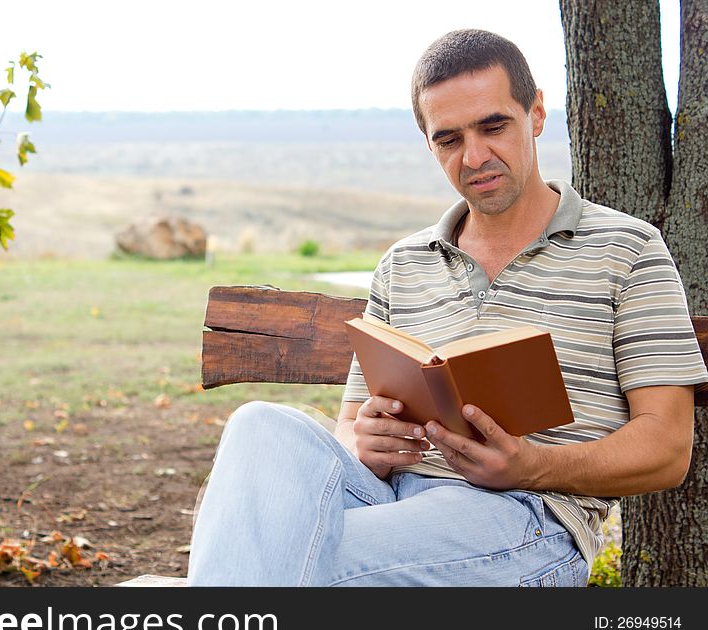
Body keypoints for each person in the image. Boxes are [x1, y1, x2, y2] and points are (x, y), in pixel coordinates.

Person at [186, 29, 708, 586]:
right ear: (428, 144)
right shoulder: (403, 262)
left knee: (284, 558)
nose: (475, 156)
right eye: (449, 139)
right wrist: (366, 443)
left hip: (525, 520)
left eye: (493, 126)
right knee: (261, 426)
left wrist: (533, 468)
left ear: (535, 114)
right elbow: (349, 430)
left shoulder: (627, 250)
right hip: (389, 498)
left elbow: (668, 448)